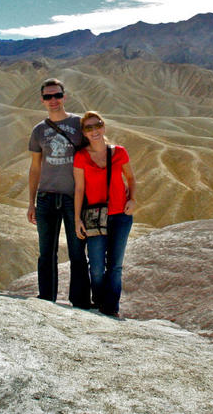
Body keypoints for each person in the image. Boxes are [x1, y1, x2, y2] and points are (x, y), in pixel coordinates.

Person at [27, 78, 91, 309]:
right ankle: (47, 299)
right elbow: (35, 168)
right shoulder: (39, 131)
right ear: (42, 100)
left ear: (64, 96)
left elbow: (93, 157)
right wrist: (31, 203)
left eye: (57, 95)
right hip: (45, 197)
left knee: (77, 252)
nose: (53, 100)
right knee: (46, 253)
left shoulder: (78, 124)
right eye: (48, 97)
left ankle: (81, 301)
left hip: (74, 199)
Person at [73, 111, 136, 317]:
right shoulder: (81, 156)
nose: (94, 131)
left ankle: (111, 309)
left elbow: (131, 178)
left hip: (120, 216)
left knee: (115, 266)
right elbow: (79, 189)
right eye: (89, 128)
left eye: (97, 125)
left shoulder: (119, 152)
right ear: (84, 133)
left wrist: (132, 199)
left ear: (103, 126)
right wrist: (77, 219)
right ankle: (99, 302)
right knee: (97, 267)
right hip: (94, 217)